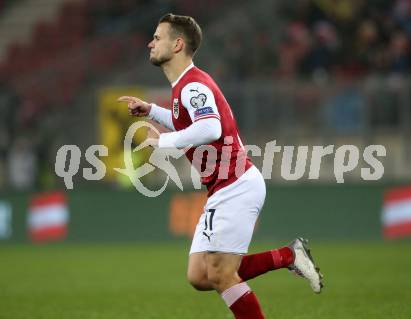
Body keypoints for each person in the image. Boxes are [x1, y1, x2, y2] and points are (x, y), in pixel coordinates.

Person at [118, 13, 323, 319]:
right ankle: (288, 255)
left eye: (157, 38)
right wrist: (152, 111)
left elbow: (210, 127)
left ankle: (288, 256)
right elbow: (184, 120)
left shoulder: (191, 86)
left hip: (235, 184)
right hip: (225, 187)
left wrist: (162, 143)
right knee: (200, 275)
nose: (151, 42)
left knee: (221, 274)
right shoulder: (184, 87)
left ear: (177, 45)